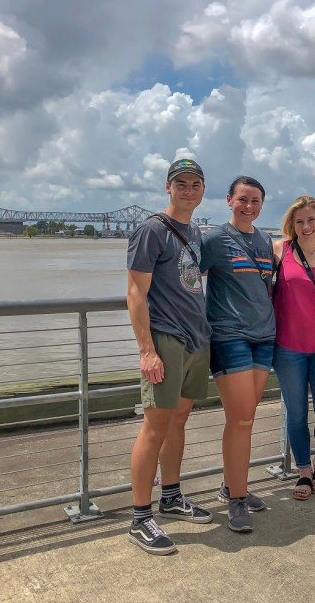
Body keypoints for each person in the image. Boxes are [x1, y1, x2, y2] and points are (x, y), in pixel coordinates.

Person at [126, 158, 213, 555]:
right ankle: (140, 517)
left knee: (178, 421)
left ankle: (172, 496)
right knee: (154, 428)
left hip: (196, 338)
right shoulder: (151, 230)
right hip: (166, 339)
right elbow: (134, 294)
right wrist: (147, 350)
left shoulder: (194, 231)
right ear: (168, 188)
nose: (189, 190)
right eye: (181, 184)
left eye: (196, 184)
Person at [200, 176, 274, 533]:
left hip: (265, 336)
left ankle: (233, 484)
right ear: (229, 200)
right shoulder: (213, 239)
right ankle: (237, 501)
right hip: (229, 336)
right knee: (241, 417)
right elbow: (183, 277)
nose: (249, 206)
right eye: (242, 199)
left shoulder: (264, 240)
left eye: (256, 200)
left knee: (246, 416)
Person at [272, 196, 315, 500]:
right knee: (296, 412)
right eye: (299, 221)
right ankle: (303, 471)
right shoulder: (279, 249)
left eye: (311, 220)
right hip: (288, 346)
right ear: (292, 224)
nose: (305, 226)